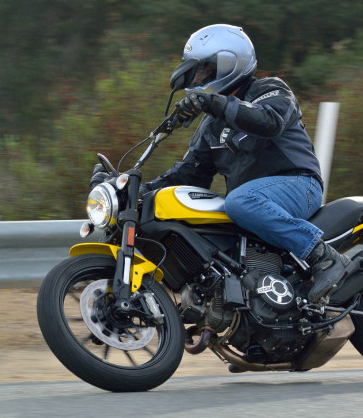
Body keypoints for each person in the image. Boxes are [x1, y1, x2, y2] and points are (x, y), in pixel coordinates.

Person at [141, 23, 351, 303]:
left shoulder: (271, 90)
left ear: (230, 62)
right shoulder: (211, 126)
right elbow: (190, 174)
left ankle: (324, 257)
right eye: (196, 71)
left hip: (299, 186)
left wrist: (212, 103)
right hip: (252, 203)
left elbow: (269, 121)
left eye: (205, 69)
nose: (198, 78)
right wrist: (135, 189)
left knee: (239, 201)